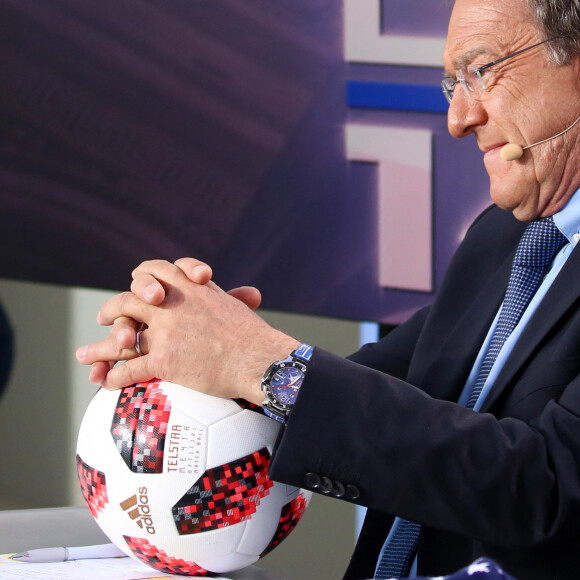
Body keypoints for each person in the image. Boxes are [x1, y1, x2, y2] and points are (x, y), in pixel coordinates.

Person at [76, 0, 580, 578]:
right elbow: (394, 394)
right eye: (452, 84)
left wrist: (261, 363)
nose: (459, 118)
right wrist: (206, 359)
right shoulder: (506, 236)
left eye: (481, 71)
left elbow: (549, 489)